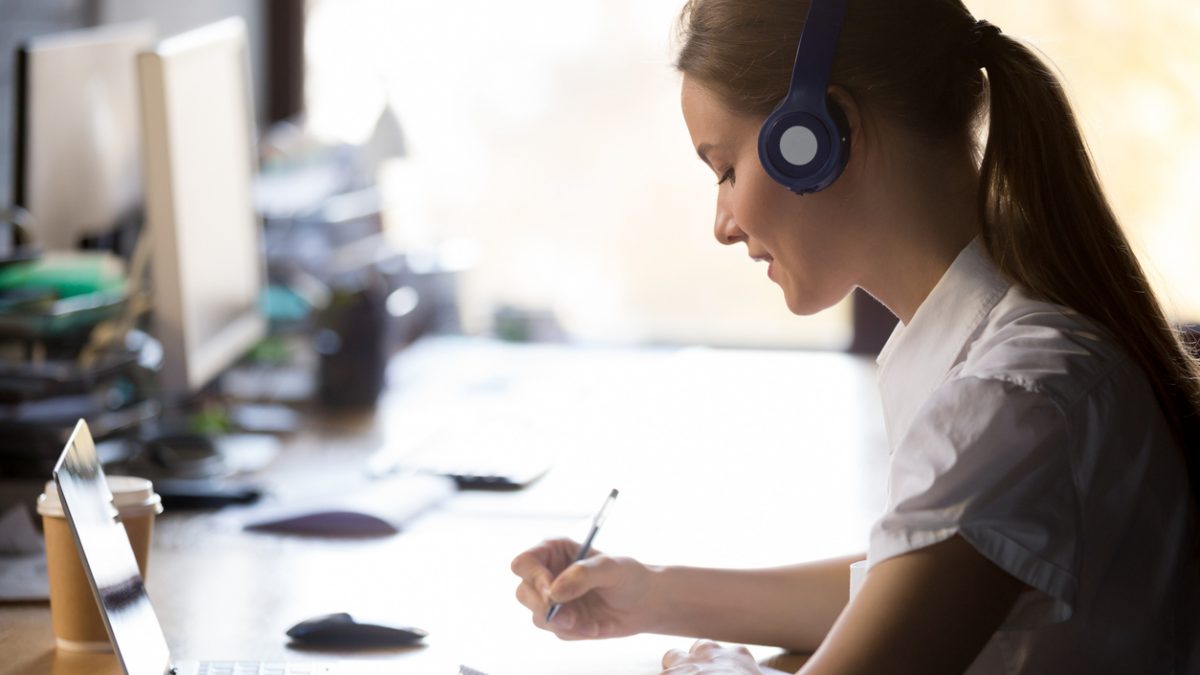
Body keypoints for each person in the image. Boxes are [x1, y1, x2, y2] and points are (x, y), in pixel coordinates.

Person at [510, 0, 1200, 672]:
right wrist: (648, 592)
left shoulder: (1009, 399)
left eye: (725, 170)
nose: (721, 222)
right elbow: (900, 587)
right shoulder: (1001, 355)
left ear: (816, 133)